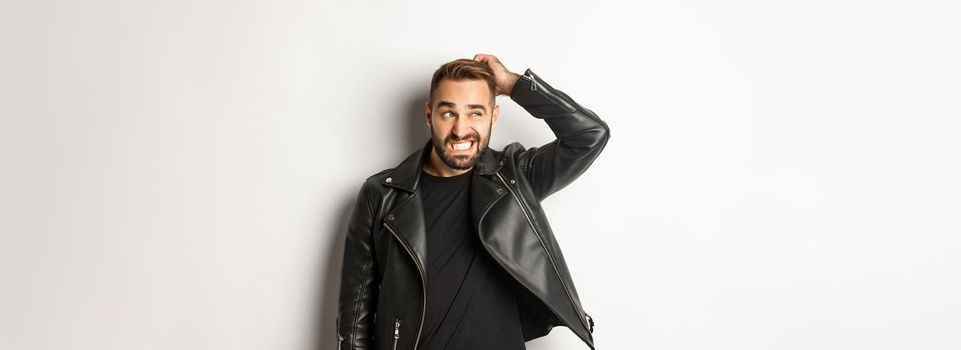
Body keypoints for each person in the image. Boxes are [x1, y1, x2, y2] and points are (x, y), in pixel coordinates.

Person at [336, 53, 610, 350]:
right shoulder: (382, 194)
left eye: (475, 113)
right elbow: (354, 321)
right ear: (429, 115)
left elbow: (590, 136)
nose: (460, 129)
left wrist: (514, 84)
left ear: (494, 117)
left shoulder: (515, 178)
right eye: (448, 113)